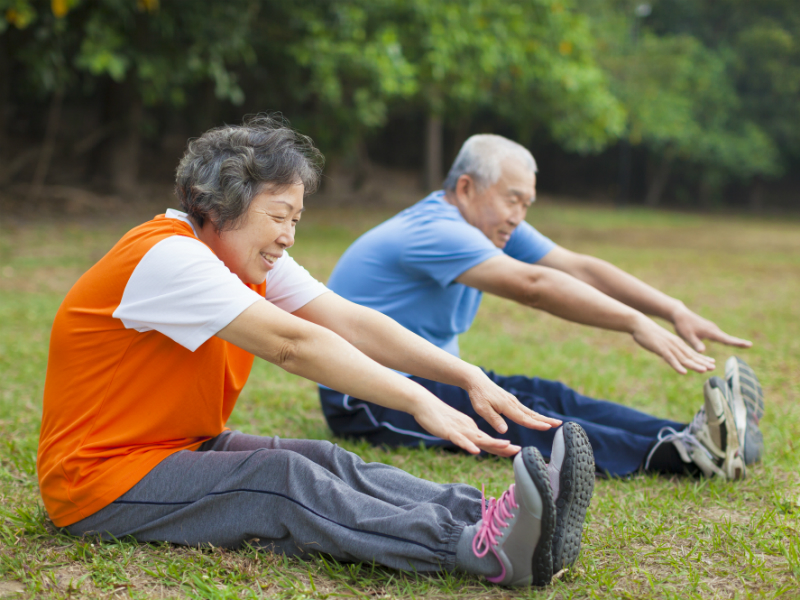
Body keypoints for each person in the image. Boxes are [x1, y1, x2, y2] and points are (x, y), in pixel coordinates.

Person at [37, 117, 597, 588]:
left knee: (324, 460)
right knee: (280, 478)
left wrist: (464, 374)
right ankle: (481, 549)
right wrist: (415, 399)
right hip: (98, 484)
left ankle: (494, 516)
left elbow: (350, 320)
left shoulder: (242, 256)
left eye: (295, 220)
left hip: (171, 446)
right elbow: (292, 344)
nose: (288, 236)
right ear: (222, 204)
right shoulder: (168, 258)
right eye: (278, 216)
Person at [321, 134, 766, 481]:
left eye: (527, 204)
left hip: (433, 374)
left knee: (551, 396)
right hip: (367, 396)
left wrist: (672, 309)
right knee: (524, 416)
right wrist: (633, 322)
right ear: (466, 187)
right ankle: (683, 456)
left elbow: (578, 268)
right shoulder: (436, 230)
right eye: (512, 199)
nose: (519, 215)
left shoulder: (489, 223)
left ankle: (698, 435)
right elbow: (534, 285)